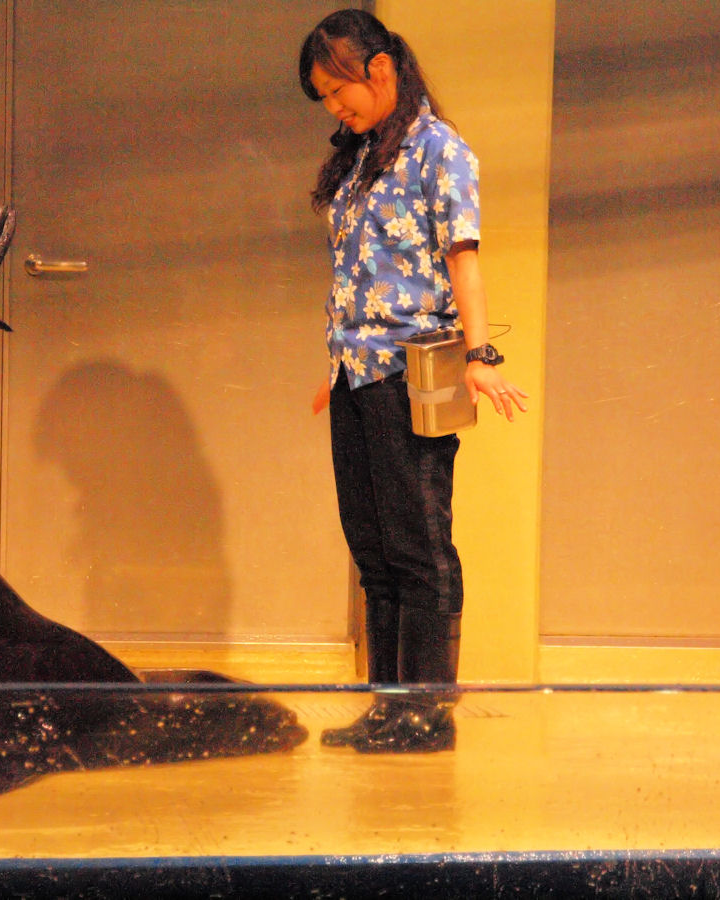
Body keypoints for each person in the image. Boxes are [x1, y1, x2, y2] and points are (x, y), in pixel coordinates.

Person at [298, 9, 528, 753]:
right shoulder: (362, 156)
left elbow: (464, 260)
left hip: (410, 372)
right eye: (324, 98)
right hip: (354, 374)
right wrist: (333, 369)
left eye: (338, 91)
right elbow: (358, 274)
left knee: (419, 547)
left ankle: (427, 718)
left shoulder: (440, 150)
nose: (334, 108)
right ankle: (386, 710)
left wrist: (481, 356)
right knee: (372, 549)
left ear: (380, 69)